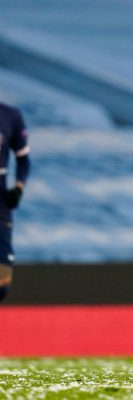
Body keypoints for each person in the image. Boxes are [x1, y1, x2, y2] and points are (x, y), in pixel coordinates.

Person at [0, 101, 31, 303]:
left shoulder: (10, 115)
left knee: (2, 284)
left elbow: (23, 158)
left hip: (0, 206)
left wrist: (19, 187)